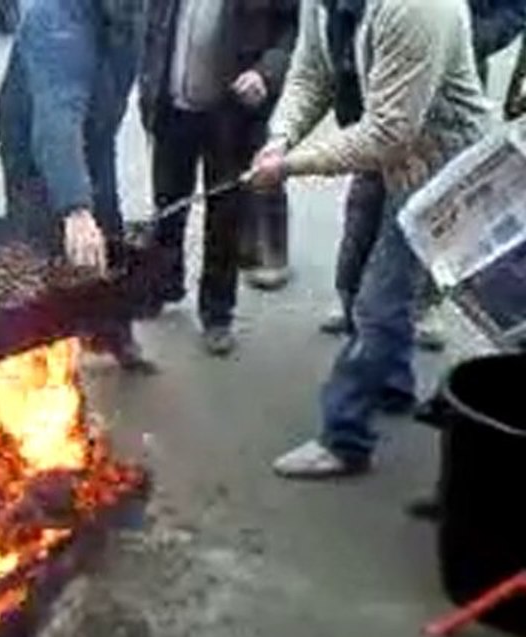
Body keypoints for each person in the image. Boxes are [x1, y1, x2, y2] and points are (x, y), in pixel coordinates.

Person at [250, 0, 490, 478]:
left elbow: (389, 132)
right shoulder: (324, 4)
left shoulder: (421, 8)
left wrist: (292, 166)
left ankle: (344, 439)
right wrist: (280, 138)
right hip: (389, 155)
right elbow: (309, 75)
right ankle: (393, 384)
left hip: (445, 168)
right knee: (355, 277)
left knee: (381, 301)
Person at [319, 0, 526, 352]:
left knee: (429, 225)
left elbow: (514, 9)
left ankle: (421, 307)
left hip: (445, 106)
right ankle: (350, 298)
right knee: (364, 209)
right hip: (378, 92)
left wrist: (455, 33)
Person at [0, 0, 153, 370]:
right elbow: (56, 119)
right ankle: (40, 358)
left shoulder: (134, 13)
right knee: (40, 246)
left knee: (109, 225)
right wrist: (76, 209)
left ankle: (112, 333)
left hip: (96, 130)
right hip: (34, 142)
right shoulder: (54, 15)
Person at [139, 0, 298, 355]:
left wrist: (265, 73)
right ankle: (163, 283)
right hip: (172, 111)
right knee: (167, 205)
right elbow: (151, 27)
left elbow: (292, 31)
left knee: (225, 217)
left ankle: (217, 314)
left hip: (231, 117)